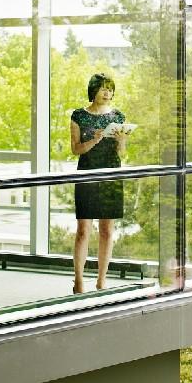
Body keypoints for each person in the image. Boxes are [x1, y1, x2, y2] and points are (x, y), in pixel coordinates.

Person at [69, 73, 129, 294]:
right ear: (93, 90)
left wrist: (121, 142)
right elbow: (75, 149)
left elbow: (121, 153)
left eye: (110, 89)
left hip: (111, 177)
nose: (107, 93)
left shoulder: (119, 117)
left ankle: (102, 280)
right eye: (103, 88)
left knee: (106, 230)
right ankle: (79, 280)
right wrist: (95, 139)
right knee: (83, 230)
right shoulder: (79, 115)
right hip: (86, 174)